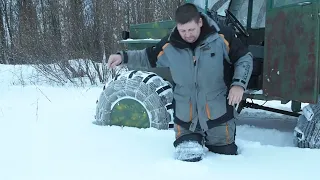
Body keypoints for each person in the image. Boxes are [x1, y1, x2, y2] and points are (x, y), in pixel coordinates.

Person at [107, 3, 253, 162]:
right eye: (183, 31)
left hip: (218, 116)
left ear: (200, 23)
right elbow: (148, 56)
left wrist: (238, 84)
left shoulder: (221, 37)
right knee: (188, 164)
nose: (187, 35)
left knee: (226, 160)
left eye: (191, 30)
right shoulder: (170, 44)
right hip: (186, 119)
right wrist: (123, 57)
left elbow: (244, 58)